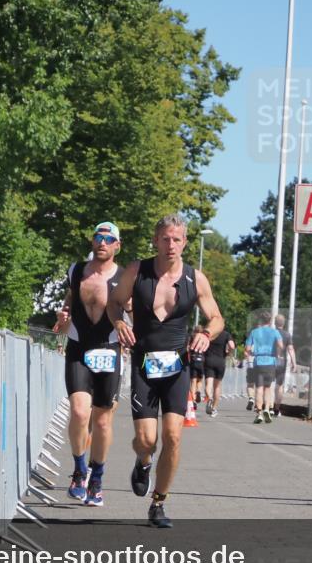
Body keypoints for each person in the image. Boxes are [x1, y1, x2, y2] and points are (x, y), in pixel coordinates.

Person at [107, 214, 223, 528]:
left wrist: (206, 334)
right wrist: (119, 322)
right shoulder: (137, 271)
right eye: (165, 239)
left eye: (177, 239)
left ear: (185, 242)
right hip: (144, 364)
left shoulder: (195, 279)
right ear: (156, 241)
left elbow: (216, 318)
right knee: (147, 440)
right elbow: (114, 302)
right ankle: (143, 461)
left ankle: (158, 503)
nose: (171, 245)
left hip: (177, 367)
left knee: (172, 437)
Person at [54, 222, 126, 507]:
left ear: (117, 245)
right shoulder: (76, 271)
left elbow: (134, 310)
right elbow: (69, 302)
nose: (102, 242)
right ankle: (79, 470)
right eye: (98, 237)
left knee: (102, 420)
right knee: (79, 411)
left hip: (109, 349)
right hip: (79, 347)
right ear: (92, 241)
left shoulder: (124, 277)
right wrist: (63, 317)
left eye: (109, 239)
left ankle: (97, 478)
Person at [245, 311, 283, 424]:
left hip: (258, 362)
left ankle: (259, 413)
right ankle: (267, 408)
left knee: (259, 389)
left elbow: (247, 349)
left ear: (260, 320)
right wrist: (277, 353)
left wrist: (252, 353)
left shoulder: (254, 332)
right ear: (270, 321)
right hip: (270, 362)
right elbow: (281, 345)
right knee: (268, 388)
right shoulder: (275, 332)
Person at [204, 327, 235, 417]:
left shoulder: (209, 333)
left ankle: (209, 398)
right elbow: (232, 346)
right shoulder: (226, 334)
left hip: (209, 360)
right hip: (220, 361)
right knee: (217, 386)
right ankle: (214, 409)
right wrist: (228, 352)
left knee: (208, 384)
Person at [272, 314, 296, 416]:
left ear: (275, 323)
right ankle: (276, 409)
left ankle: (268, 407)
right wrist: (294, 362)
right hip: (282, 362)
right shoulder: (287, 335)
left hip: (270, 360)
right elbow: (290, 349)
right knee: (279, 386)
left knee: (267, 385)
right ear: (284, 323)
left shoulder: (271, 333)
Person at [189, 325, 206, 405]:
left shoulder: (192, 337)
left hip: (193, 360)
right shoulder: (203, 339)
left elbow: (188, 348)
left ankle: (193, 400)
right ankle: (198, 391)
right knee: (200, 379)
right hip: (201, 360)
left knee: (193, 381)